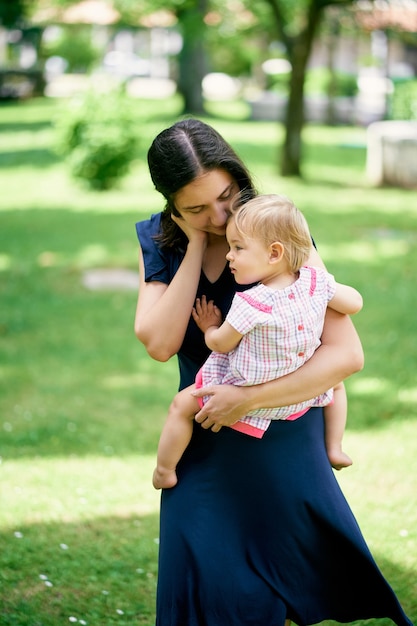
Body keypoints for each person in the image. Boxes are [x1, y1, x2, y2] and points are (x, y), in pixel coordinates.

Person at [135, 118, 412, 626]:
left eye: (226, 196)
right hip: (204, 432)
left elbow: (346, 355)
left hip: (283, 427)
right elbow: (159, 343)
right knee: (205, 579)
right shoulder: (160, 240)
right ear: (171, 205)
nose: (220, 216)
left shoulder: (277, 230)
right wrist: (193, 245)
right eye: (196, 208)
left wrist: (250, 398)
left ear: (237, 175)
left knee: (280, 584)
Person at [152, 194, 361, 490]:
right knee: (336, 385)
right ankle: (335, 446)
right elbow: (354, 302)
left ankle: (164, 470)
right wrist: (333, 290)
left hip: (243, 391)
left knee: (180, 406)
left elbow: (220, 345)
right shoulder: (316, 281)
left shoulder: (253, 303)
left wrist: (210, 326)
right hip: (300, 395)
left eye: (237, 247)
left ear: (274, 253)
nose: (229, 255)